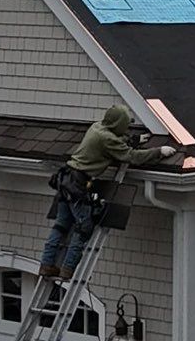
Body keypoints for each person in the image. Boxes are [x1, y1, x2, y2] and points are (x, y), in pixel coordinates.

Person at [40, 103, 176, 278]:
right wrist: (158, 151)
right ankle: (67, 268)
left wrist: (132, 140)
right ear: (118, 124)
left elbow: (112, 141)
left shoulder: (97, 126)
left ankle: (46, 264)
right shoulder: (107, 139)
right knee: (84, 227)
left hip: (66, 180)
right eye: (125, 125)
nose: (127, 128)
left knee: (61, 225)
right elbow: (131, 156)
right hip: (78, 185)